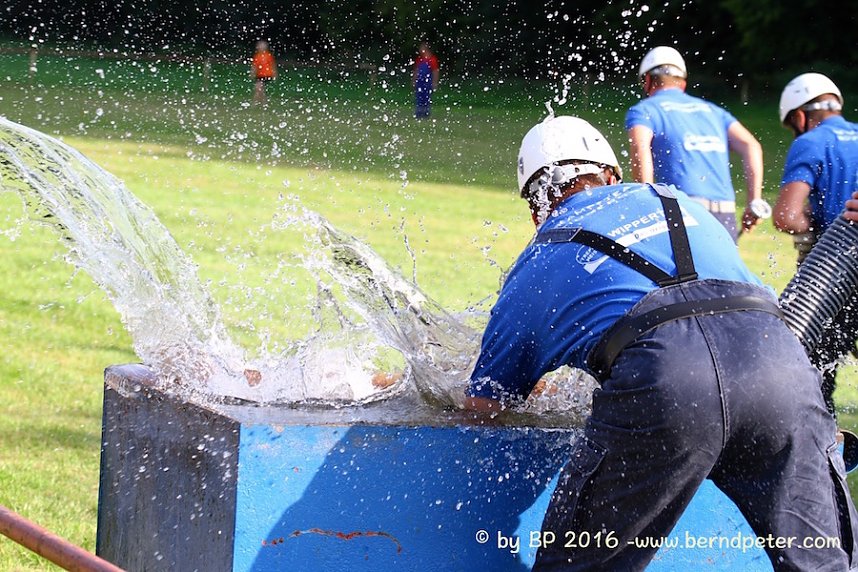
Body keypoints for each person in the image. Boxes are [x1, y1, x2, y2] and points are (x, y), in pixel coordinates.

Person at [464, 115, 857, 570]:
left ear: (535, 210)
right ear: (613, 176)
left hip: (667, 381)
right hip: (779, 364)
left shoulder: (534, 265)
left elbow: (484, 406)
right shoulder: (677, 200)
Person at [773, 72, 858, 415]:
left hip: (835, 275)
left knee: (817, 371)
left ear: (800, 116)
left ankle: (823, 454)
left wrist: (813, 223)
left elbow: (786, 216)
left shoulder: (810, 142)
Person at [625, 46, 767, 241]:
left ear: (648, 80)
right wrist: (754, 201)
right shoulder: (714, 111)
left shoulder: (644, 110)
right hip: (723, 211)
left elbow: (640, 148)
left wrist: (646, 198)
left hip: (680, 209)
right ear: (682, 83)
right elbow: (751, 145)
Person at [412, 42, 439, 119]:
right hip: (420, 81)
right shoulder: (420, 59)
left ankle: (426, 113)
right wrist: (414, 80)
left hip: (428, 81)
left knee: (426, 97)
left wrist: (434, 82)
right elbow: (416, 70)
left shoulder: (432, 59)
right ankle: (419, 113)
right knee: (419, 97)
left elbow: (435, 71)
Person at [250, 40, 277, 105]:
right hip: (259, 75)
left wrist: (274, 74)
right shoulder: (257, 56)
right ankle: (263, 102)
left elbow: (273, 65)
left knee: (258, 88)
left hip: (267, 75)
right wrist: (252, 73)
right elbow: (254, 66)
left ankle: (255, 103)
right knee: (260, 89)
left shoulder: (268, 55)